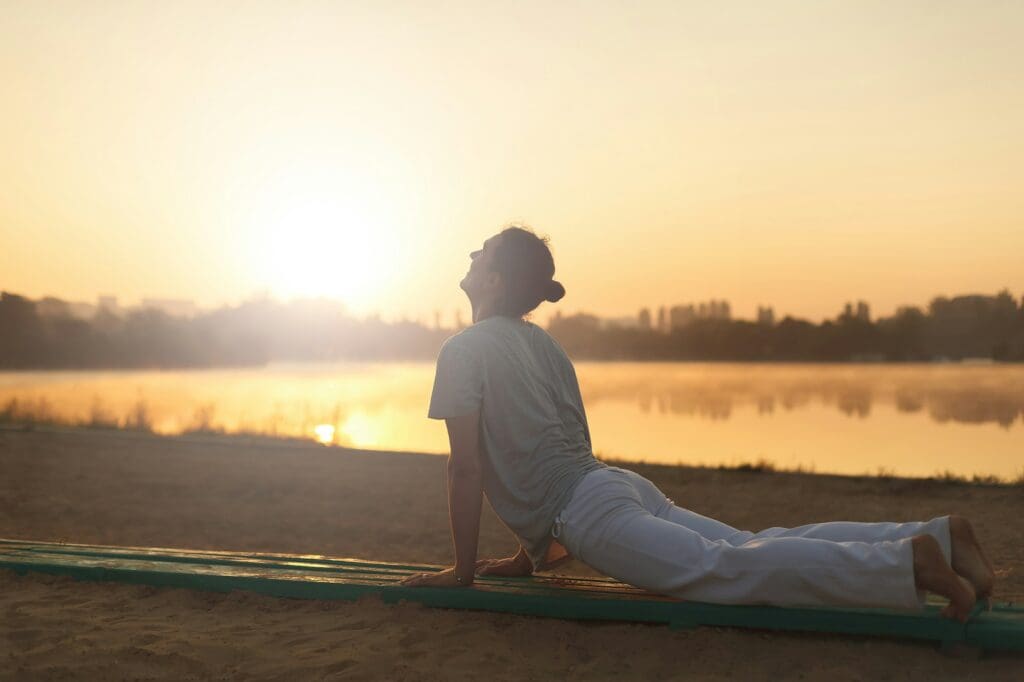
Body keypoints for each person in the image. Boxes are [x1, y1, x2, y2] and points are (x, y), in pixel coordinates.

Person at [400, 226, 995, 622]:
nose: (471, 257)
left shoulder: (463, 350)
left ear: (495, 281)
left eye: (481, 252)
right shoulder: (545, 346)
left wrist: (460, 572)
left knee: (725, 568)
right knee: (743, 546)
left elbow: (469, 468)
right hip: (617, 487)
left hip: (588, 508)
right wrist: (529, 555)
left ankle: (908, 562)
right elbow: (553, 449)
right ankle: (940, 535)